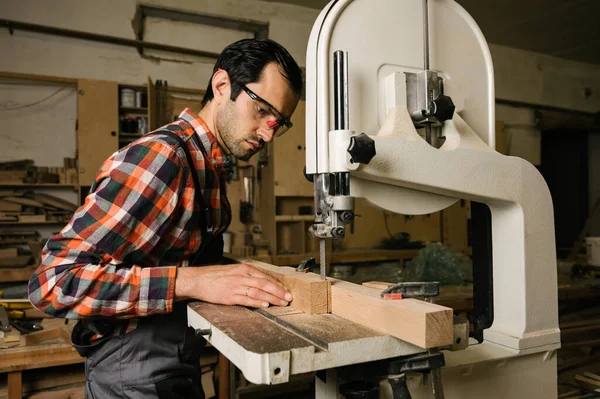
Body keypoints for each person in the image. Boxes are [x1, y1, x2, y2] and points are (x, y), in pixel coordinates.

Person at [28, 38, 303, 399]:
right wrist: (191, 282)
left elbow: (178, 259)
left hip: (174, 358)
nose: (268, 132)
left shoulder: (209, 166)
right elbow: (54, 282)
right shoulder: (163, 158)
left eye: (279, 122)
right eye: (262, 110)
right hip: (132, 370)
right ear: (222, 86)